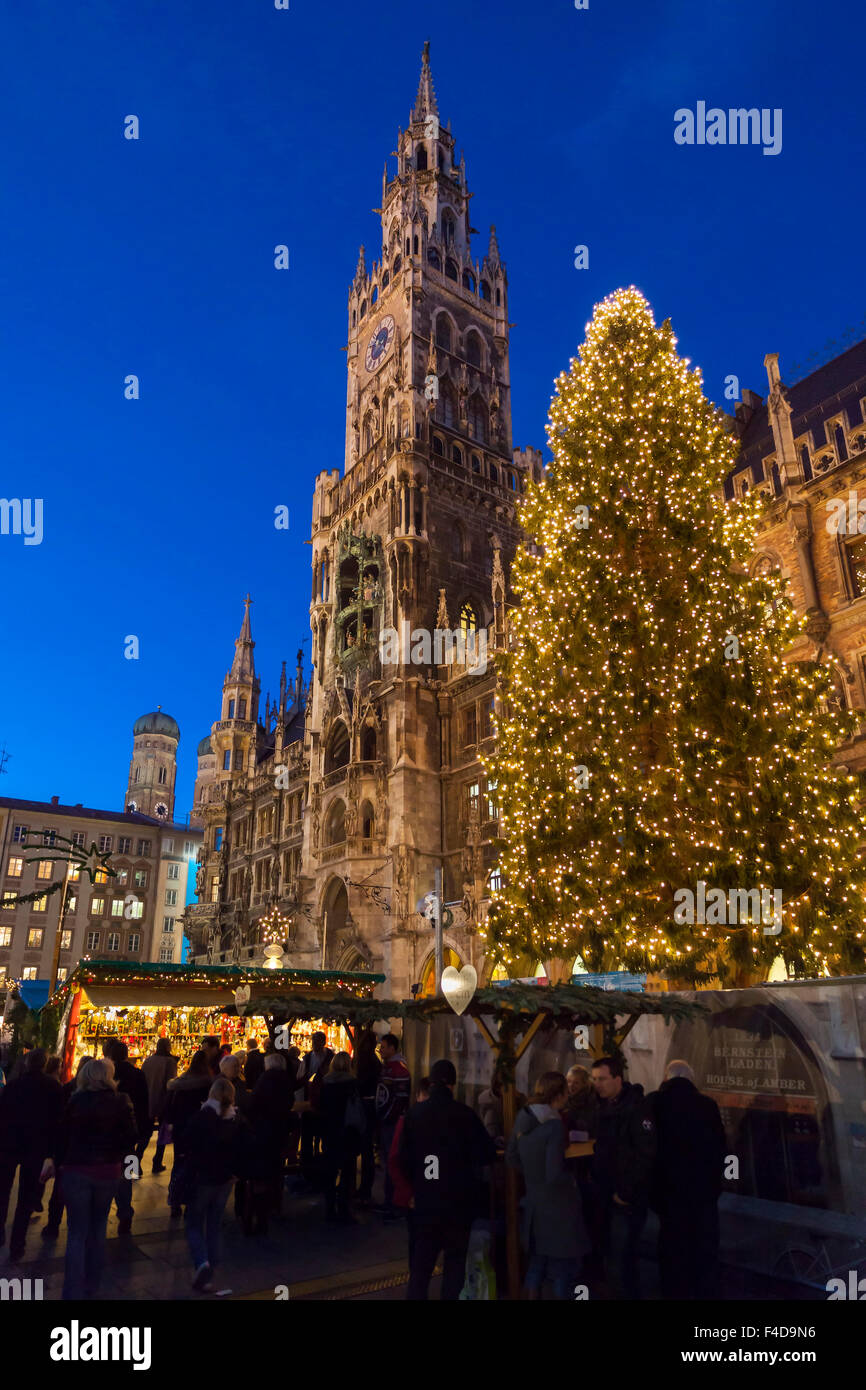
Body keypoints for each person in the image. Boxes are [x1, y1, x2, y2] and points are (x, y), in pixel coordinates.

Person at [398, 1058, 495, 1300]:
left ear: (430, 1084)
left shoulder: (414, 1114)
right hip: (457, 1204)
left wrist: (413, 1189)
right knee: (454, 1266)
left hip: (425, 1202)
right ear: (452, 1085)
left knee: (420, 1268)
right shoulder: (465, 1115)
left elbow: (401, 1158)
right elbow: (486, 1154)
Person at [51, 1057, 137, 1300]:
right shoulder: (121, 1101)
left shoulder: (76, 1100)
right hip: (108, 1171)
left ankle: (71, 1290)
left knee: (77, 1232)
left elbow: (62, 1135)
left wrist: (58, 1164)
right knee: (98, 1228)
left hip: (77, 1169)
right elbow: (131, 1135)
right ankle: (92, 1284)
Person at [506, 1071, 588, 1299]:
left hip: (533, 1203)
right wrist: (572, 1180)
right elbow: (554, 1173)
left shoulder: (524, 1116)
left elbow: (511, 1156)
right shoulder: (553, 1125)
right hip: (557, 1209)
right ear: (559, 1094)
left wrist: (532, 1175)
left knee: (536, 1265)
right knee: (562, 1271)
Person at [651, 1059, 726, 1300]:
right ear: (691, 1080)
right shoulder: (707, 1105)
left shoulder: (655, 1104)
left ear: (667, 1078)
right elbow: (720, 1148)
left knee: (673, 1252)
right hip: (702, 1194)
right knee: (703, 1251)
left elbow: (646, 1149)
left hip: (668, 1194)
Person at [590, 1055, 657, 1300]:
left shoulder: (636, 1109)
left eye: (602, 1079)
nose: (597, 1084)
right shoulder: (605, 1106)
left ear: (618, 1079)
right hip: (607, 1194)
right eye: (594, 1079)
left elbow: (645, 1154)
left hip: (625, 1199)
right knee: (613, 1258)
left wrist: (625, 1193)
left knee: (622, 1261)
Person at [0, 1048, 64, 1259]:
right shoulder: (53, 1087)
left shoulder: (14, 1086)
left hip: (9, 1145)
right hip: (36, 1148)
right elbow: (58, 1122)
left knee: (3, 1192)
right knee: (26, 1198)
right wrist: (52, 1152)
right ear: (45, 1065)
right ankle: (17, 1243)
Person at [183, 1076, 243, 1291]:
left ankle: (202, 1262)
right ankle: (211, 1269)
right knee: (215, 1224)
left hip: (203, 1177)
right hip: (225, 1178)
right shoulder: (235, 1119)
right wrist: (236, 1171)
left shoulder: (203, 1116)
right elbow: (243, 1147)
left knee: (194, 1222)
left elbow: (187, 1142)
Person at [103, 1040, 149, 1234]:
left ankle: (103, 1212)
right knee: (127, 1176)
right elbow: (144, 1103)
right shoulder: (137, 1074)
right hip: (131, 1133)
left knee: (107, 1175)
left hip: (109, 1133)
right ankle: (125, 1214)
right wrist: (143, 1129)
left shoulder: (106, 1075)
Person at [246, 1053, 294, 1234]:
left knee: (262, 1172)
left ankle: (261, 1212)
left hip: (264, 1132)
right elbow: (289, 1102)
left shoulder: (264, 1079)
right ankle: (275, 1204)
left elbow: (253, 1104)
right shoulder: (285, 1079)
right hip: (279, 1131)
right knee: (276, 1169)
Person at [164, 1050, 213, 1217]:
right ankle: (191, 1202)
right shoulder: (207, 1084)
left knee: (179, 1164)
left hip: (181, 1129)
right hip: (200, 1130)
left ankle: (175, 1201)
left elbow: (170, 1107)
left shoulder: (180, 1083)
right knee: (196, 1166)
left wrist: (171, 1123)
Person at [388, 1076, 431, 1266]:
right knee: (418, 1244)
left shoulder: (418, 1120)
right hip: (415, 1195)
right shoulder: (408, 1121)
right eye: (425, 1095)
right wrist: (409, 1194)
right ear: (418, 1095)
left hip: (426, 1194)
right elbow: (395, 1160)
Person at [319, 1052, 365, 1223]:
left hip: (330, 1131)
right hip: (348, 1132)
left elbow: (320, 1106)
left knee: (330, 1170)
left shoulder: (326, 1082)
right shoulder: (353, 1084)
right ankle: (344, 1207)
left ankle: (329, 1208)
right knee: (347, 1171)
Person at [376, 1032, 411, 1220]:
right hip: (385, 1122)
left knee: (392, 1162)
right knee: (387, 1161)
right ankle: (389, 1201)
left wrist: (388, 1118)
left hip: (392, 1123)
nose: (381, 1050)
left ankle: (394, 1203)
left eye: (383, 1047)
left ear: (392, 1048)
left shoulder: (399, 1069)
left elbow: (400, 1099)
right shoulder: (386, 1068)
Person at [141, 1038, 178, 1174]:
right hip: (163, 1101)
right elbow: (171, 1084)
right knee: (162, 1133)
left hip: (147, 1100)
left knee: (145, 1134)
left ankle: (135, 1164)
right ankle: (157, 1161)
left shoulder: (148, 1061)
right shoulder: (170, 1062)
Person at [300, 1032, 334, 1179]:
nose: (314, 1044)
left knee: (324, 1134)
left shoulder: (330, 1058)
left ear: (323, 1042)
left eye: (317, 1041)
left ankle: (323, 1166)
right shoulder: (307, 1058)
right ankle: (307, 1168)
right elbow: (300, 1077)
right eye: (313, 1041)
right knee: (308, 1135)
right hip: (310, 1101)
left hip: (325, 1102)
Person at [354, 1028, 382, 1204]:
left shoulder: (365, 1060)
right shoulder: (374, 1060)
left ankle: (363, 1190)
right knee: (366, 1151)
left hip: (364, 1105)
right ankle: (364, 1188)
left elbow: (360, 1083)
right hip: (370, 1106)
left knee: (364, 1149)